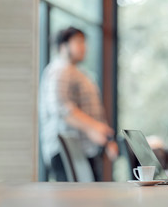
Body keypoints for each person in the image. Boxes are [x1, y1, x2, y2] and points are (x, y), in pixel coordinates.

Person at [39, 27, 117, 181]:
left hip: (82, 149)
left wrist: (102, 135)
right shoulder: (60, 70)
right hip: (66, 150)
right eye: (78, 42)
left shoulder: (78, 72)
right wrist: (95, 128)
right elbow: (61, 108)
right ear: (63, 46)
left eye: (84, 42)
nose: (84, 47)